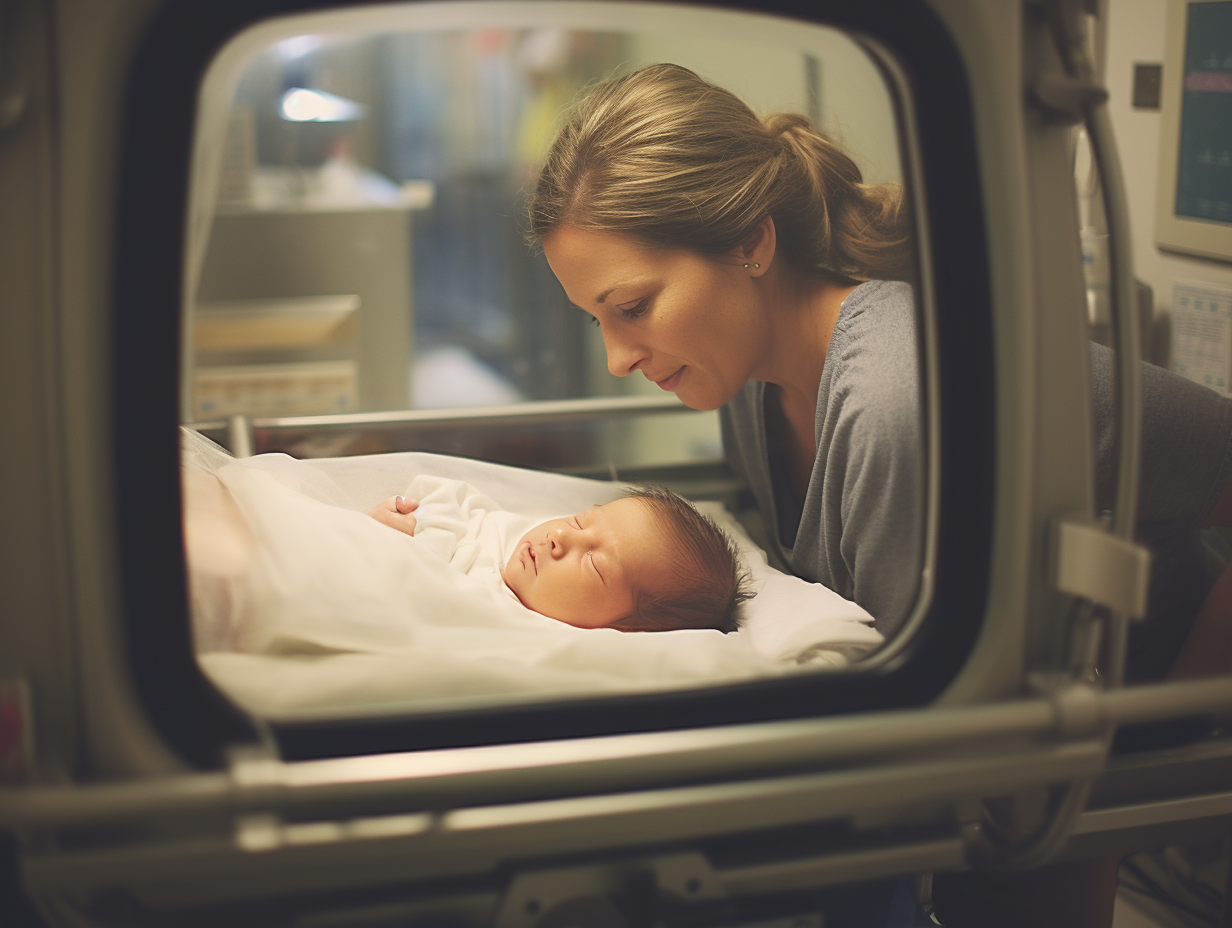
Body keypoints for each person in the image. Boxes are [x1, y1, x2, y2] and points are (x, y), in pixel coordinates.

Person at [527, 62, 1232, 926]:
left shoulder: (899, 393)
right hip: (1029, 822)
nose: (616, 358)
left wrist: (1159, 754)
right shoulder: (748, 389)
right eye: (595, 319)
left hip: (1168, 835)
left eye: (631, 306)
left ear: (752, 240)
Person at [368, 482, 750, 633]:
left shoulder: (512, 626)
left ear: (623, 630)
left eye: (594, 564)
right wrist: (397, 521)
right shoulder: (486, 525)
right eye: (580, 521)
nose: (559, 536)